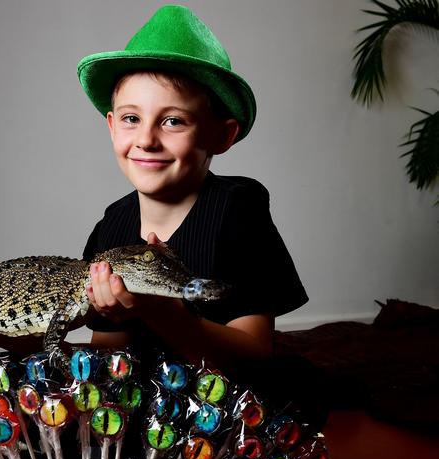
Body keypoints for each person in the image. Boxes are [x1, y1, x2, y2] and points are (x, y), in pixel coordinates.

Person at [78, 5, 308, 382]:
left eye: (173, 121)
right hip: (144, 404)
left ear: (221, 135)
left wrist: (159, 310)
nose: (146, 140)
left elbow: (253, 355)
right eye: (131, 119)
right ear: (111, 125)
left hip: (223, 405)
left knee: (292, 394)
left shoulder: (237, 212)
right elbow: (109, 353)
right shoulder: (112, 227)